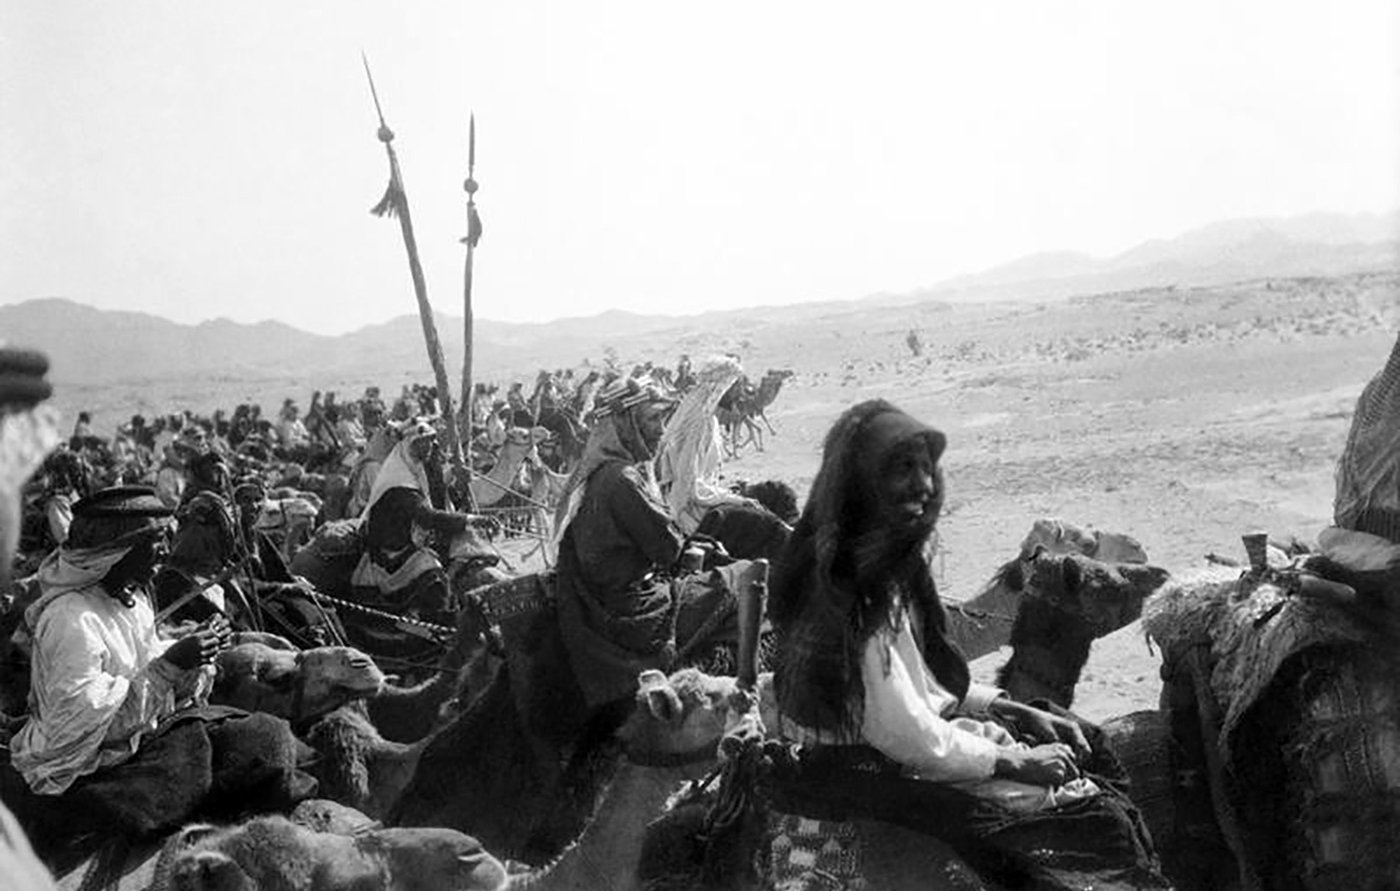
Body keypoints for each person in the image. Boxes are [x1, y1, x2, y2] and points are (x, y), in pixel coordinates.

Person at [769, 399, 1169, 890]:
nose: (922, 483)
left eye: (924, 467)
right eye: (901, 469)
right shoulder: (851, 585)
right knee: (1088, 822)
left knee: (1078, 739)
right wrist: (1013, 760)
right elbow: (903, 731)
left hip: (897, 747)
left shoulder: (883, 562)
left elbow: (921, 681)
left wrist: (1010, 707)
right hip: (868, 769)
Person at [2, 486, 316, 858]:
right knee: (243, 749)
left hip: (138, 734)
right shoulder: (71, 619)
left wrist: (197, 653)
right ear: (118, 550)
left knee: (264, 735)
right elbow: (73, 728)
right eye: (155, 541)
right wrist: (171, 665)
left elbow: (144, 665)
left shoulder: (130, 600)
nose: (167, 550)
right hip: (81, 763)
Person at [553, 375, 760, 721]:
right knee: (739, 580)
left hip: (600, 602)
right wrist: (692, 547)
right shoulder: (622, 479)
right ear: (623, 422)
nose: (661, 430)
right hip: (632, 609)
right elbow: (669, 549)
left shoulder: (595, 473)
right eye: (651, 419)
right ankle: (737, 705)